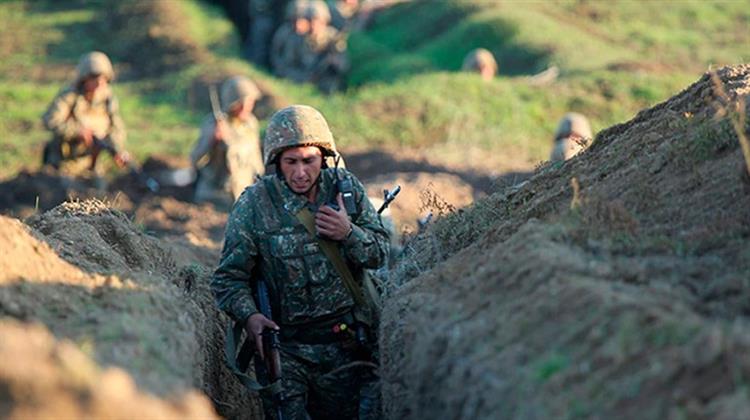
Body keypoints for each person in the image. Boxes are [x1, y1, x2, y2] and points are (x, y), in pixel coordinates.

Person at [212, 105, 389, 419]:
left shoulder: (345, 191)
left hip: (345, 347)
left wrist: (348, 233)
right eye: (290, 161)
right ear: (276, 161)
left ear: (324, 157)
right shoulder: (255, 205)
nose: (300, 172)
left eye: (309, 161)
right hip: (286, 351)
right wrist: (251, 317)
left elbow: (380, 254)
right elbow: (228, 279)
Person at [42, 51, 129, 177]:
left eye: (103, 79)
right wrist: (77, 131)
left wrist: (117, 149)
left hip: (91, 165)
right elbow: (50, 120)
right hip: (63, 164)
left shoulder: (107, 99)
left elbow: (116, 128)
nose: (99, 84)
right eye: (94, 78)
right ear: (84, 78)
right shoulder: (70, 96)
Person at [190, 75, 264, 206]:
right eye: (241, 103)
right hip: (215, 196)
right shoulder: (214, 124)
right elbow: (196, 159)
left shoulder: (251, 124)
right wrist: (212, 140)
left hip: (243, 195)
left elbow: (256, 160)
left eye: (249, 102)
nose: (245, 107)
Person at [301, 0, 349, 93]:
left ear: (324, 21)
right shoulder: (299, 38)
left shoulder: (333, 37)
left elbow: (343, 63)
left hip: (325, 79)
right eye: (310, 20)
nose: (313, 25)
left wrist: (334, 61)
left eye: (317, 20)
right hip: (302, 78)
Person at [270, 0, 311, 83]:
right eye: (295, 18)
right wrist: (280, 68)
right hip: (285, 70)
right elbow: (275, 52)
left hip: (303, 72)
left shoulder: (309, 36)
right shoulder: (284, 32)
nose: (297, 23)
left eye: (301, 18)